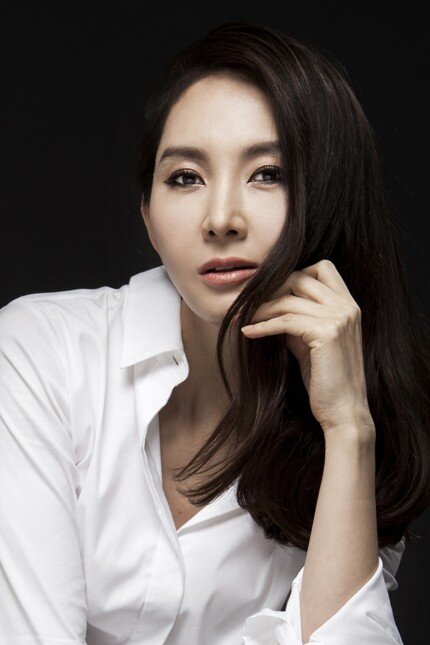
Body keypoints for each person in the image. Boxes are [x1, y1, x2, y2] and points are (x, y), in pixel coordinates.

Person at [1, 20, 429, 645]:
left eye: (268, 174)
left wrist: (348, 429)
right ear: (148, 217)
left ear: (330, 198)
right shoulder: (40, 353)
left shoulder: (360, 427)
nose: (222, 219)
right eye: (185, 177)